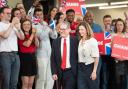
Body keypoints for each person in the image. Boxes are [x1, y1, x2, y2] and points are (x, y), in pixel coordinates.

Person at [0, 6, 24, 89]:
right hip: (5, 55)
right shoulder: (0, 25)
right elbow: (5, 35)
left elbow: (22, 37)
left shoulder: (13, 25)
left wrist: (19, 29)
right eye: (7, 13)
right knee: (6, 81)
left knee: (14, 82)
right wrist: (12, 24)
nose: (10, 15)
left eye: (10, 13)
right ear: (1, 15)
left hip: (15, 55)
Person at [33, 8, 57, 89]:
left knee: (50, 77)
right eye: (37, 15)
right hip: (40, 54)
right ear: (35, 16)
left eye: (41, 14)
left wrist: (53, 28)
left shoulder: (46, 23)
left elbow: (54, 36)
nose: (40, 16)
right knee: (41, 77)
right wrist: (45, 27)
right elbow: (41, 36)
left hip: (49, 53)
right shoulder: (33, 25)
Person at [51, 21, 78, 89]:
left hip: (71, 71)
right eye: (60, 29)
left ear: (69, 30)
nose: (61, 31)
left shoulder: (75, 40)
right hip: (60, 72)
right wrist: (54, 72)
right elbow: (53, 59)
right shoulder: (55, 42)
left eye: (64, 29)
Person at [77, 21, 99, 89]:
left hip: (90, 67)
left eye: (82, 29)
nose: (80, 31)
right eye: (79, 29)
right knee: (80, 87)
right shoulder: (80, 41)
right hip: (80, 68)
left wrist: (94, 71)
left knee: (92, 87)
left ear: (87, 30)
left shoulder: (92, 41)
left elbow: (96, 57)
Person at [18, 19, 39, 89]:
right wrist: (33, 34)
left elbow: (37, 44)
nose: (27, 26)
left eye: (28, 24)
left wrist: (34, 35)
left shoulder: (32, 35)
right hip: (24, 59)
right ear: (21, 26)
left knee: (31, 84)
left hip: (32, 58)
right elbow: (27, 44)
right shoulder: (20, 35)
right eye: (24, 24)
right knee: (25, 83)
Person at [111, 18, 128, 89]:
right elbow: (111, 48)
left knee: (125, 80)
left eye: (121, 25)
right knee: (117, 81)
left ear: (123, 26)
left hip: (126, 62)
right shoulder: (112, 36)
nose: (119, 26)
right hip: (116, 61)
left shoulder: (126, 36)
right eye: (118, 25)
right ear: (115, 26)